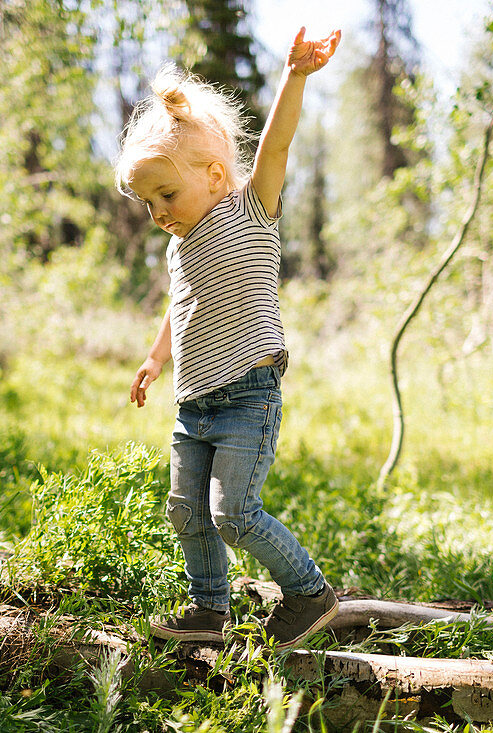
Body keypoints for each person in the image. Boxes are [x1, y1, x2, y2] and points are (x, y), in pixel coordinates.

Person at [114, 27, 341, 650]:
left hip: (247, 394)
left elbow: (277, 143)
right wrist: (155, 358)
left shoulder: (248, 209)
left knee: (233, 514)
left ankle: (309, 593)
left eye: (167, 193)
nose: (158, 211)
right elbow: (179, 305)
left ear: (216, 174)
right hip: (194, 405)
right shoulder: (177, 245)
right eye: (147, 202)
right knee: (187, 514)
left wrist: (295, 75)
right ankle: (209, 609)